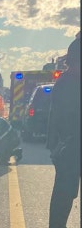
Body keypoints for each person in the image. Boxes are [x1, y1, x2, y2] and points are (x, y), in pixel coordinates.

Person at [46, 36, 80, 228]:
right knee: (64, 193)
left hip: (67, 146)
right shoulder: (68, 83)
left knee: (64, 193)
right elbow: (64, 118)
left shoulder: (65, 81)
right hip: (70, 145)